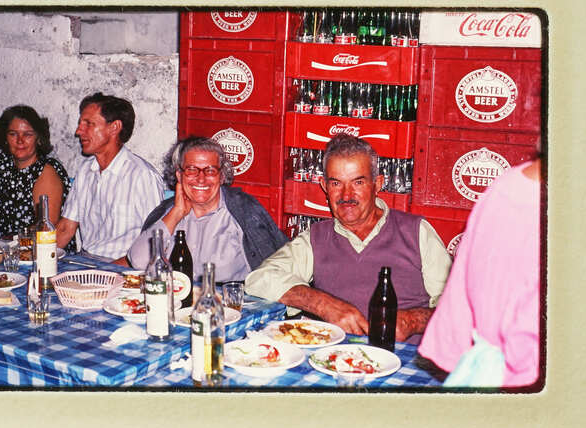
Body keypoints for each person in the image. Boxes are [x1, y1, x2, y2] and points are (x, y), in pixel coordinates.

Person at [246, 135, 452, 340]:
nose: (346, 195)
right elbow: (259, 279)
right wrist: (322, 304)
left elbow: (457, 306)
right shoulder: (316, 238)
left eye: (358, 182)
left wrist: (414, 321)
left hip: (406, 356)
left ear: (377, 184)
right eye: (336, 183)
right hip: (337, 355)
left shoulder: (415, 232)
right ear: (324, 186)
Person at [417, 159, 542, 387]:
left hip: (486, 372)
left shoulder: (506, 187)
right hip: (512, 377)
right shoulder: (512, 194)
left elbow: (452, 306)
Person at [128, 137, 288, 280]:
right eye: (191, 170)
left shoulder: (244, 211)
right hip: (175, 299)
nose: (201, 179)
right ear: (179, 175)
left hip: (228, 301)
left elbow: (277, 270)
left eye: (210, 170)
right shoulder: (167, 210)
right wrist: (176, 213)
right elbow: (138, 262)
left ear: (222, 176)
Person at [56, 93, 164, 264]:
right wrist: (34, 259)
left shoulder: (142, 176)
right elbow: (65, 228)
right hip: (85, 261)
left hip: (124, 267)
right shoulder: (86, 170)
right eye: (80, 124)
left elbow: (156, 241)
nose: (78, 131)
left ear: (114, 127)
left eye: (89, 124)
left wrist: (109, 271)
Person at [0, 105, 71, 238]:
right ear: (5, 137)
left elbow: (45, 227)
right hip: (4, 245)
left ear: (38, 138)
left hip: (41, 246)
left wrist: (8, 242)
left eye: (27, 134)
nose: (20, 141)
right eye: (13, 134)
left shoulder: (46, 171)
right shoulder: (1, 163)